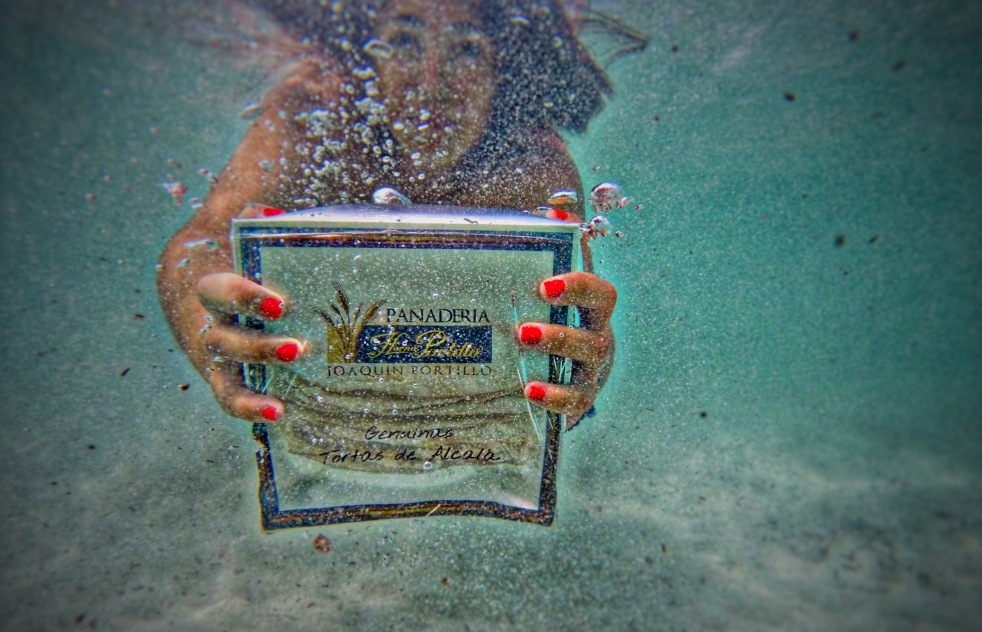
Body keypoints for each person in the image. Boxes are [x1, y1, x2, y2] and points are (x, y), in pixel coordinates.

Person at [158, 0, 637, 430]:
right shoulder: (309, 125)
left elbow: (582, 323)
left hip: (472, 423)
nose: (432, 84)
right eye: (404, 41)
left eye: (467, 50)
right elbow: (199, 246)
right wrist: (214, 344)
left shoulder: (531, 165)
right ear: (369, 58)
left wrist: (586, 369)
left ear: (500, 70)